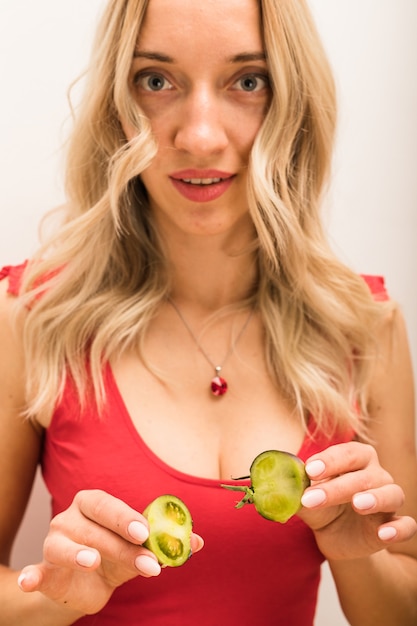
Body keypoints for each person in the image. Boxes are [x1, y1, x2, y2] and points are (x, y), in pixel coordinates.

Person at [0, 0, 416, 624]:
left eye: (247, 82)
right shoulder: (30, 317)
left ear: (292, 102)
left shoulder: (367, 328)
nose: (199, 136)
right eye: (156, 81)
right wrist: (53, 599)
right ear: (118, 103)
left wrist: (356, 557)